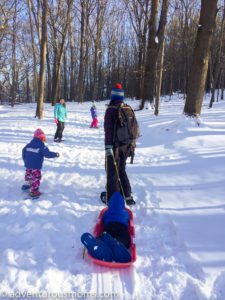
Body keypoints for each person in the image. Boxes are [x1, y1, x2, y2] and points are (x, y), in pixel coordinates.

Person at [104, 83, 136, 206]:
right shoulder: (127, 108)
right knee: (121, 169)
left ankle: (112, 199)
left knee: (112, 171)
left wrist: (108, 148)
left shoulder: (111, 110)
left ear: (112, 96)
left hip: (115, 147)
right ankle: (127, 195)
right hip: (127, 146)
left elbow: (108, 131)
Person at [81, 192, 132, 263]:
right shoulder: (125, 212)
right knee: (126, 240)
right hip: (121, 227)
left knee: (105, 236)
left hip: (109, 226)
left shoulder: (107, 211)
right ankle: (118, 244)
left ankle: (103, 242)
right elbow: (129, 219)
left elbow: (103, 218)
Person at [22, 128, 59, 198]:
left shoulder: (28, 145)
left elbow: (24, 152)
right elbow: (48, 154)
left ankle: (27, 183)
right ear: (42, 138)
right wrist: (55, 154)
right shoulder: (42, 146)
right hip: (36, 166)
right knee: (36, 177)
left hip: (28, 164)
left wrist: (25, 160)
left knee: (29, 174)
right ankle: (34, 192)